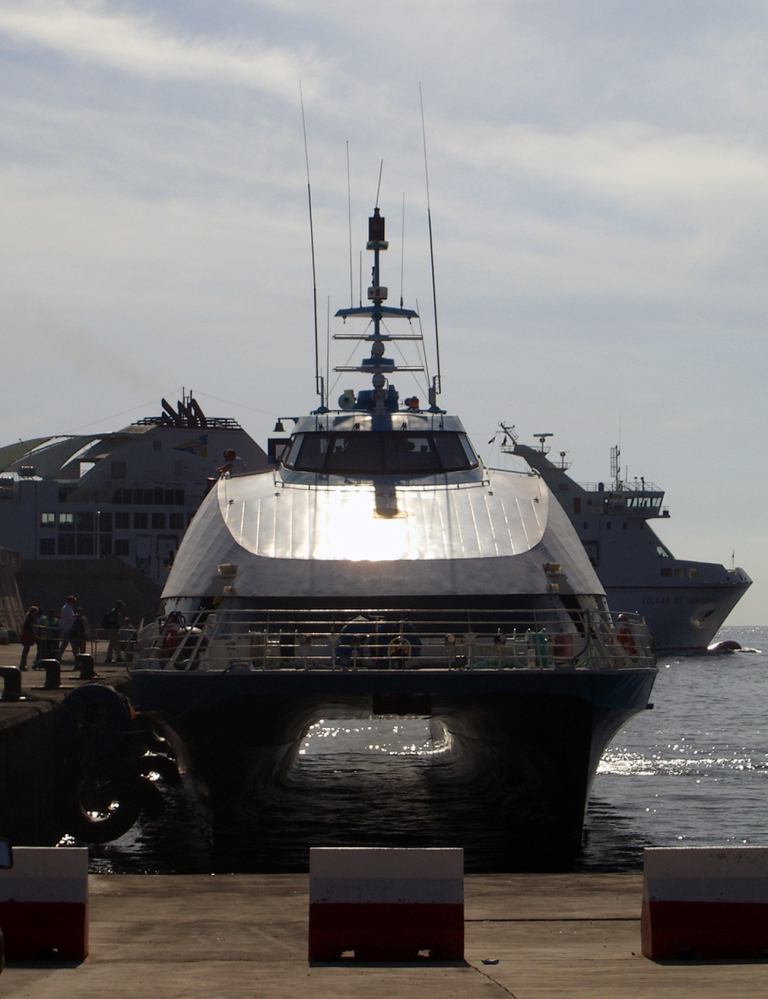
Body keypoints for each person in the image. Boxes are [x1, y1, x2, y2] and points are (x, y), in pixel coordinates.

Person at [19, 605, 38, 671]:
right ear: (34, 612)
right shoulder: (30, 618)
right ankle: (22, 665)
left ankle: (23, 664)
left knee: (25, 650)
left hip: (26, 634)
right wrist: (39, 627)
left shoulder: (28, 617)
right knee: (26, 650)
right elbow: (31, 626)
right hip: (28, 635)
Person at [58, 595, 77, 661]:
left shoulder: (68, 608)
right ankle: (77, 656)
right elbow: (69, 618)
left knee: (66, 643)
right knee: (71, 643)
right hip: (68, 628)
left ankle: (59, 655)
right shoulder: (66, 608)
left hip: (68, 628)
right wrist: (75, 616)